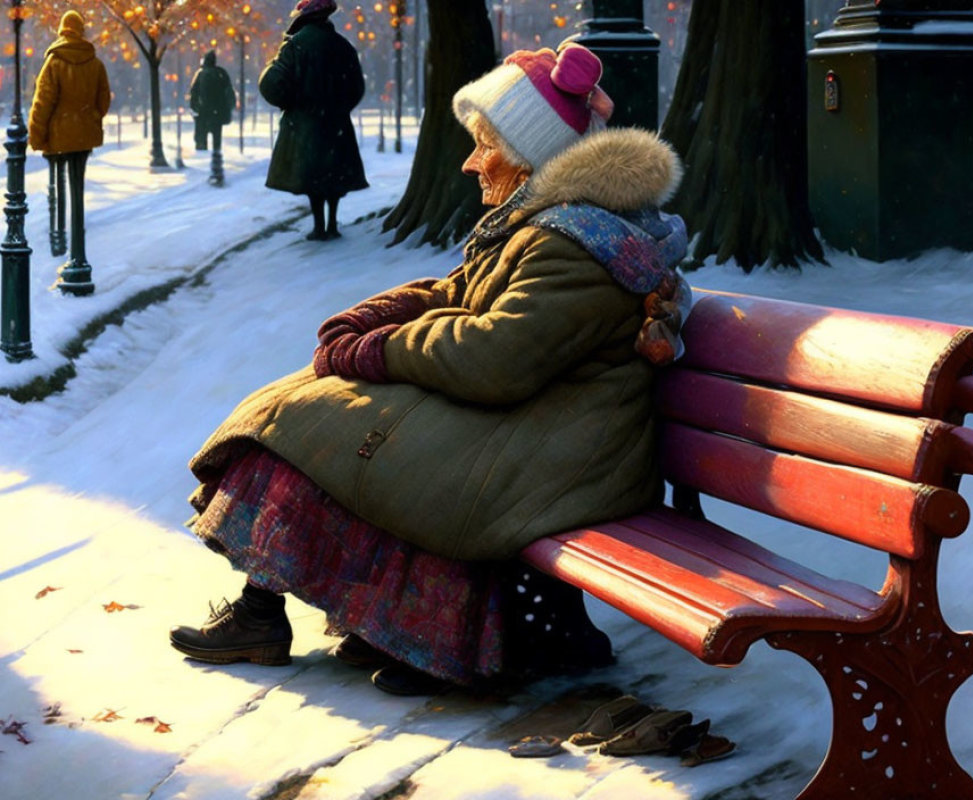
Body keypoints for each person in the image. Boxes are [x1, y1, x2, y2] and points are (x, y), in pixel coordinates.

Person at [170, 43, 691, 696]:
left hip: (563, 455)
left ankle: (400, 634)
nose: (471, 162)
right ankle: (287, 616)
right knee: (309, 412)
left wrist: (377, 349)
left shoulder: (578, 246)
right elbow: (466, 294)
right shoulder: (552, 227)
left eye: (484, 145)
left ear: (530, 156)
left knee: (321, 428)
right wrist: (387, 311)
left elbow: (494, 356)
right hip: (532, 428)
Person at [258, 0, 368, 241]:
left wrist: (291, 103)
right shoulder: (343, 46)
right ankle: (332, 224)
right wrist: (339, 107)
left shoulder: (295, 46)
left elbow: (273, 84)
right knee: (333, 176)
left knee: (314, 178)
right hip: (335, 123)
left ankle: (319, 226)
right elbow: (356, 87)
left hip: (306, 124)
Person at [28, 10, 111, 297]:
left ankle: (64, 247)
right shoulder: (95, 63)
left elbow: (43, 101)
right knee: (78, 192)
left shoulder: (53, 61)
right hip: (84, 135)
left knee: (58, 185)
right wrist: (89, 118)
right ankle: (78, 255)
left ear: (63, 31)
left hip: (59, 136)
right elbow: (104, 99)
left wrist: (37, 136)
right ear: (82, 30)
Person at [188, 50, 236, 186]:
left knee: (202, 140)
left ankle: (209, 168)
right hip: (218, 114)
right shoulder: (221, 74)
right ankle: (217, 167)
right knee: (216, 141)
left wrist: (195, 109)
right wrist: (227, 110)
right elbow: (229, 94)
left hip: (204, 114)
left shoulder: (200, 74)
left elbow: (193, 93)